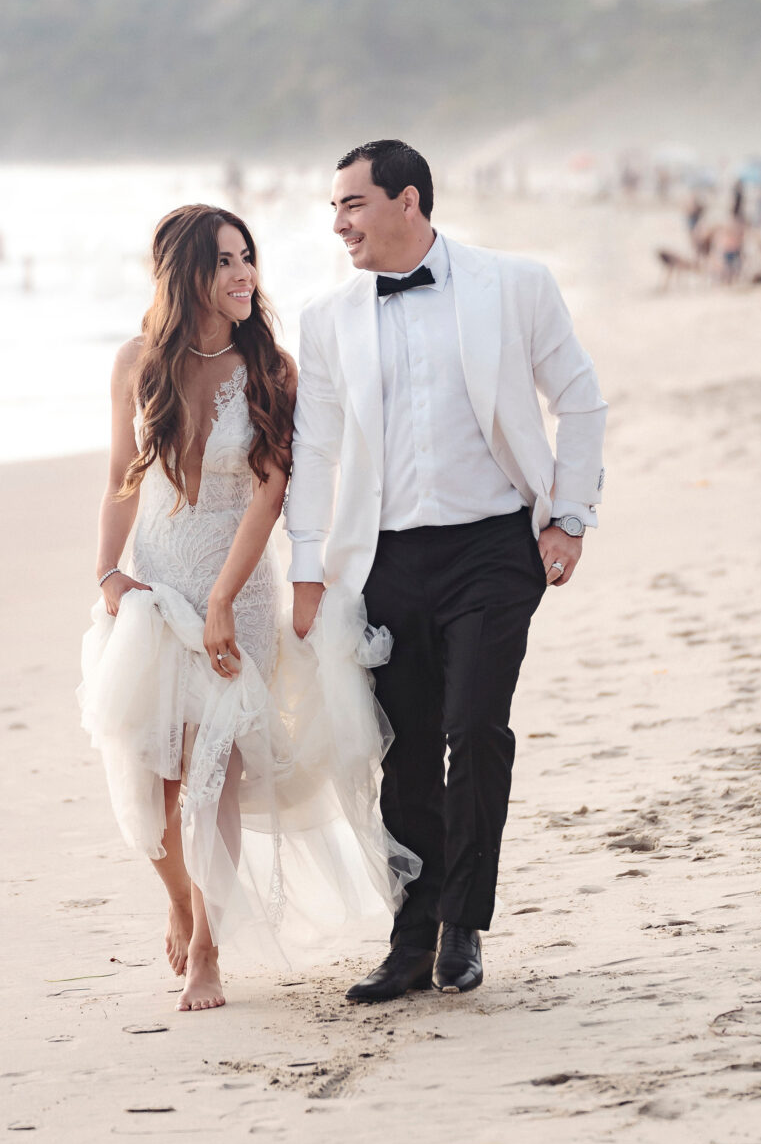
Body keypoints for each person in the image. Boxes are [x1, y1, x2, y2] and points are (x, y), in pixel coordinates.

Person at [286, 140, 607, 1003]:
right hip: (383, 559)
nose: (339, 222)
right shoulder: (327, 318)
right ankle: (411, 933)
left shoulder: (515, 284)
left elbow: (578, 399)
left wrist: (568, 516)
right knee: (406, 750)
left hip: (492, 550)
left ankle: (462, 921)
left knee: (476, 727)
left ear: (408, 201)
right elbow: (312, 449)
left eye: (353, 203)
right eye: (334, 207)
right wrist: (307, 569)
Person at [78, 205, 415, 1013]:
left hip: (241, 592)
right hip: (157, 591)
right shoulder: (135, 363)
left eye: (247, 258)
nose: (243, 275)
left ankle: (207, 951)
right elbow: (122, 475)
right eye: (224, 261)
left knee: (213, 775)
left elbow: (271, 492)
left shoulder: (272, 367)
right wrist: (104, 575)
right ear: (184, 273)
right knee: (152, 781)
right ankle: (181, 900)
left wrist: (226, 597)